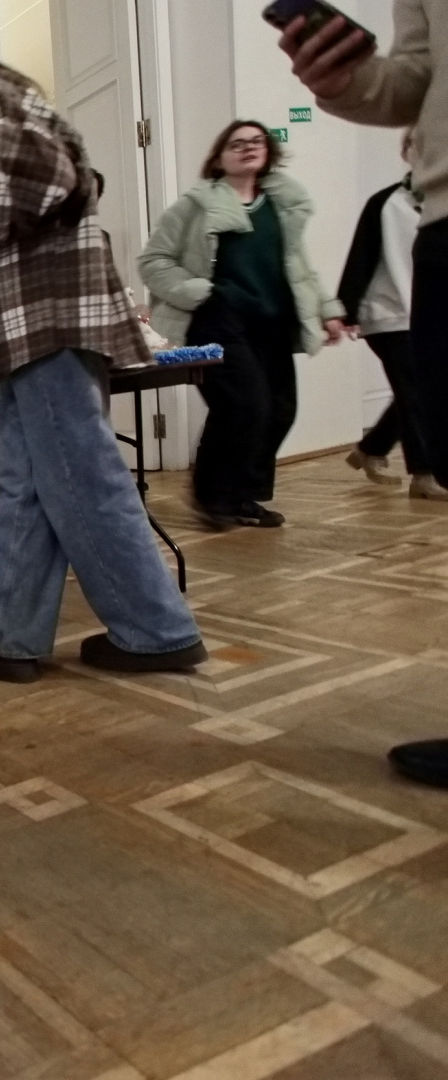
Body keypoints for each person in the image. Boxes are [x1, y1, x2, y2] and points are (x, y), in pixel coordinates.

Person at [0, 17, 206, 683]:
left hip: (45, 321)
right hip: (28, 329)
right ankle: (8, 639)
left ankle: (159, 632)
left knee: (84, 476)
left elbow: (63, 179)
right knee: (22, 486)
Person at [276, 5, 448, 788]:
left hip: (409, 293)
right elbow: (414, 79)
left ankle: (391, 456)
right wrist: (346, 81)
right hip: (422, 275)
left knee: (410, 403)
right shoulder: (393, 203)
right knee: (424, 410)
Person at [139, 121, 345, 528]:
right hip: (218, 319)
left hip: (272, 324)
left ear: (268, 152)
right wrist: (202, 291)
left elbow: (299, 268)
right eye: (237, 143)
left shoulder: (281, 206)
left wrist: (328, 309)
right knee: (244, 405)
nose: (248, 147)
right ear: (219, 158)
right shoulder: (195, 207)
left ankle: (242, 497)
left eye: (256, 141)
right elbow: (153, 261)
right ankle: (213, 496)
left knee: (279, 411)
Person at [338, 130, 441, 498]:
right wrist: (345, 310)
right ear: (405, 152)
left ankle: (372, 447)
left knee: (424, 389)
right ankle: (425, 474)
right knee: (416, 391)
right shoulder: (384, 203)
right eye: (417, 144)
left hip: (432, 313)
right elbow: (360, 257)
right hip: (389, 313)